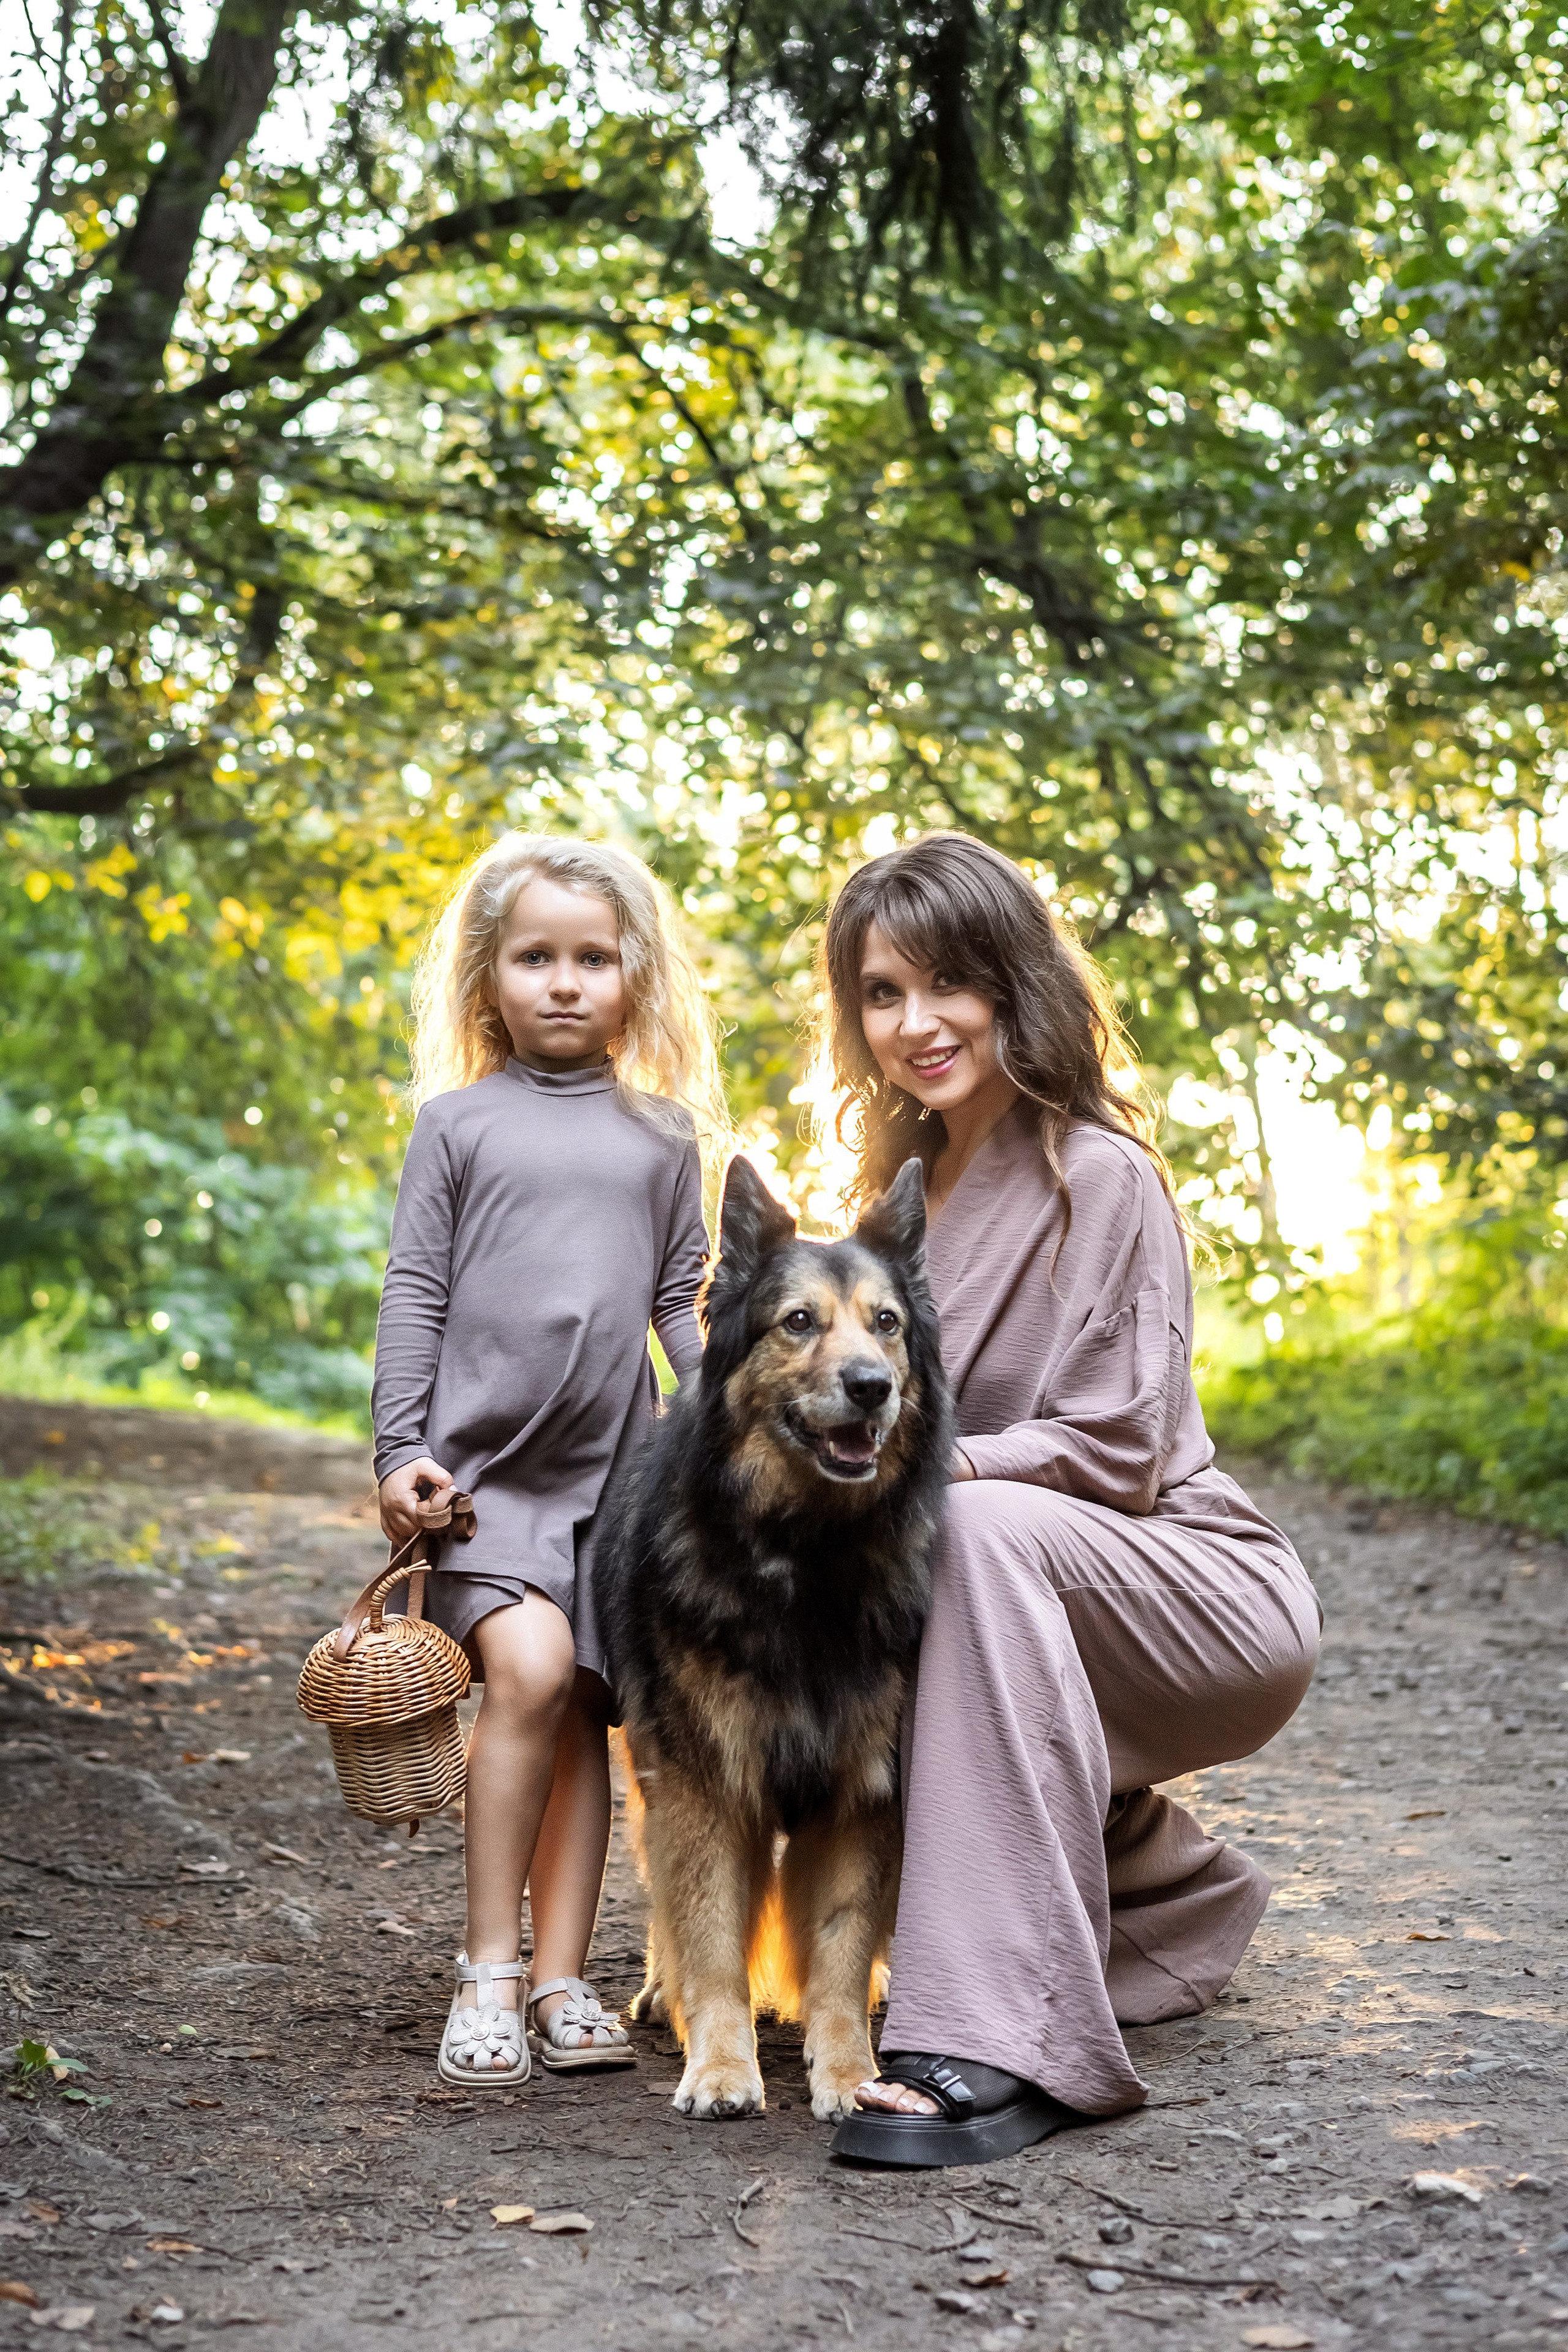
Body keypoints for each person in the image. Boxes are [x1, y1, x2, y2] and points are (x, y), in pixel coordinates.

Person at [815, 831, 1320, 2167]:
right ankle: (1162, 1900)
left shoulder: (1098, 1173)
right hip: (1008, 1585)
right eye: (879, 992)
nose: (914, 1023)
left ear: (1012, 985)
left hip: (1195, 1592)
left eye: (946, 985)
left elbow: (1115, 1449)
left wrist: (922, 1479)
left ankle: (1003, 2040)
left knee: (954, 1533)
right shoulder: (894, 1204)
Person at [371, 832, 726, 2087]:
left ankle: (568, 1977)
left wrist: (725, 1409)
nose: (564, 983)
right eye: (535, 958)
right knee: (522, 1673)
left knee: (587, 1712)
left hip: (617, 1489)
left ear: (637, 978)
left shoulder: (660, 1138)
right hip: (481, 1483)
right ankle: (488, 1968)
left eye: (593, 958)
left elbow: (682, 1304)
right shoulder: (457, 1128)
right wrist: (396, 1451)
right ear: (487, 980)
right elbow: (412, 1296)